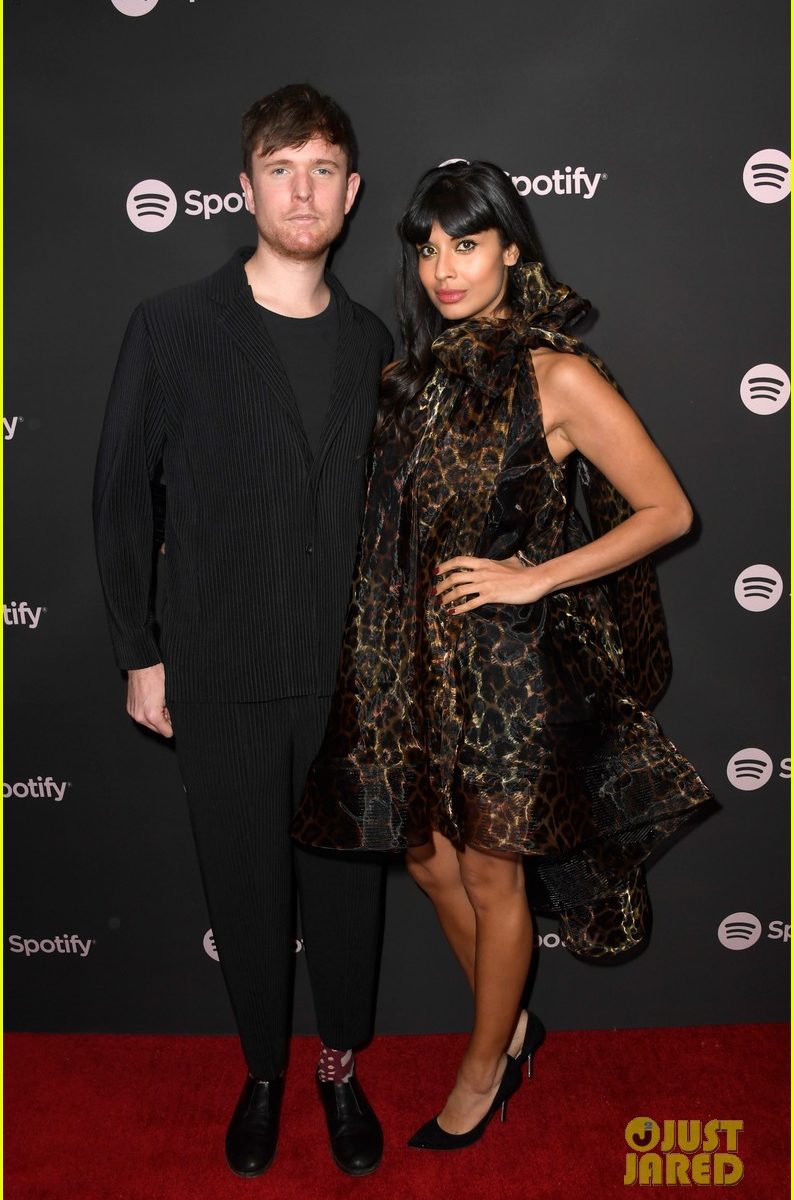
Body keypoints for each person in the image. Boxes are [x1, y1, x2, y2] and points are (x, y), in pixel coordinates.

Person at [291, 160, 713, 1150]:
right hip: (410, 668)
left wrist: (537, 576)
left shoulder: (554, 374)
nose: (443, 268)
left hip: (506, 674)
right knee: (429, 859)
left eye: (467, 244)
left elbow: (667, 510)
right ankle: (512, 1025)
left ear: (512, 251)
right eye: (428, 248)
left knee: (491, 877)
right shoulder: (407, 380)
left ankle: (484, 1067)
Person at [93, 84, 392, 1178]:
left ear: (351, 193)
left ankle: (339, 1069)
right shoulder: (171, 327)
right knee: (245, 891)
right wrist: (139, 650)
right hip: (219, 670)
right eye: (281, 169)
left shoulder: (373, 341)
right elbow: (120, 498)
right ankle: (264, 1070)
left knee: (348, 898)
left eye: (323, 170)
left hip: (347, 681)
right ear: (245, 188)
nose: (302, 191)